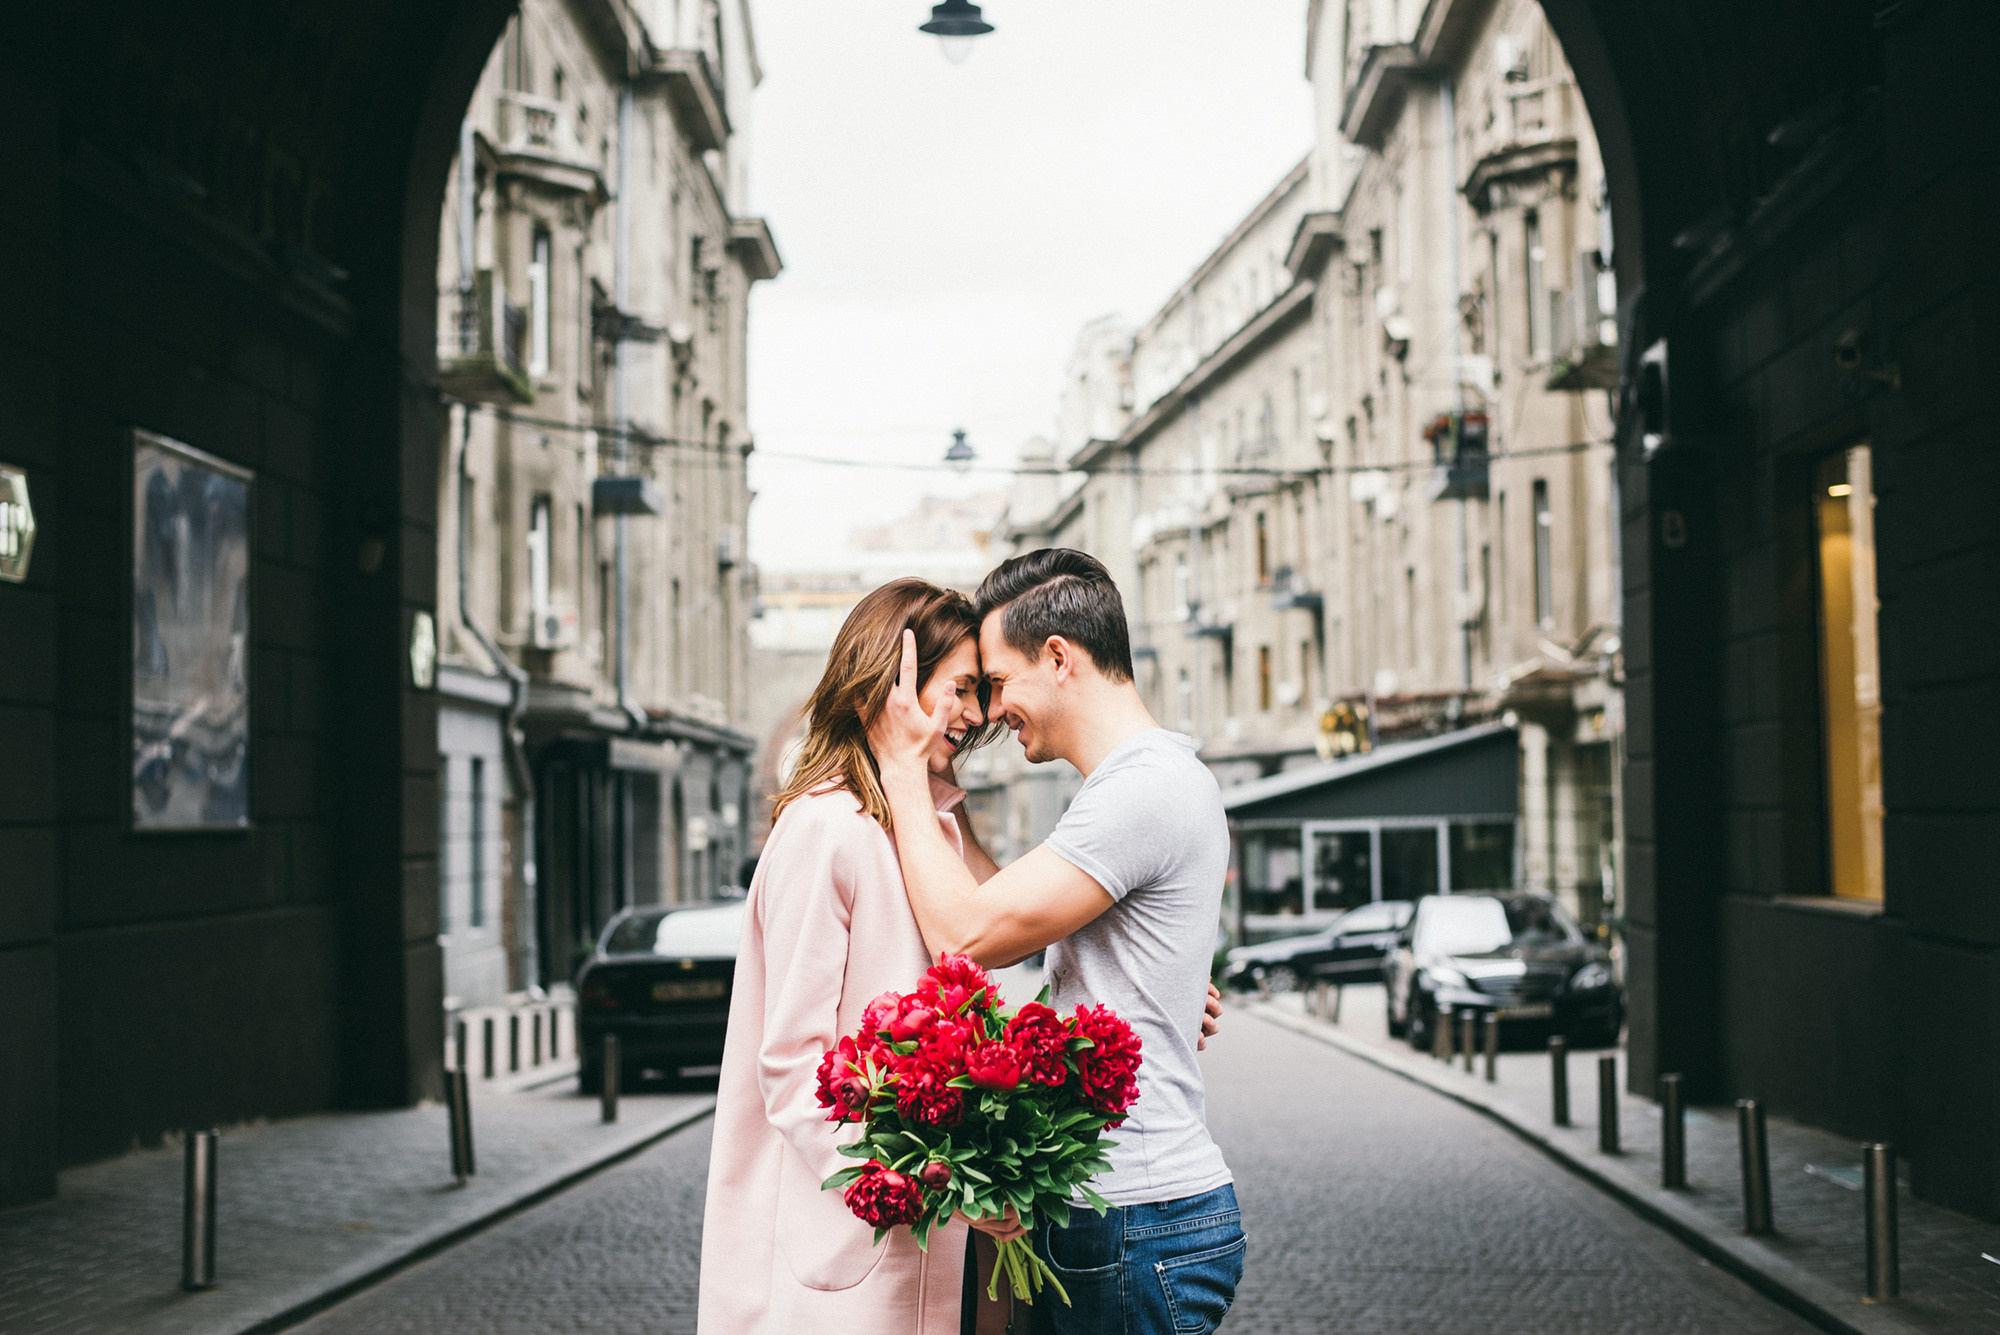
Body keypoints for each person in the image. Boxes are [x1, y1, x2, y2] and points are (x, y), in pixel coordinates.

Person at [867, 548, 1244, 1335]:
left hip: (1135, 1216)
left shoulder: (1143, 789)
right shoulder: (1138, 781)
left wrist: (903, 770)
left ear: (1060, 657)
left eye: (998, 682)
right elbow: (1011, 903)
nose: (992, 711)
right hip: (1126, 1215)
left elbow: (970, 931)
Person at [696, 578, 1020, 1335]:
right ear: (894, 681)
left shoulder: (927, 831)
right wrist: (922, 1182)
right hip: (848, 1256)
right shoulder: (824, 830)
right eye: (962, 689)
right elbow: (791, 1066)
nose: (976, 716)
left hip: (948, 1250)